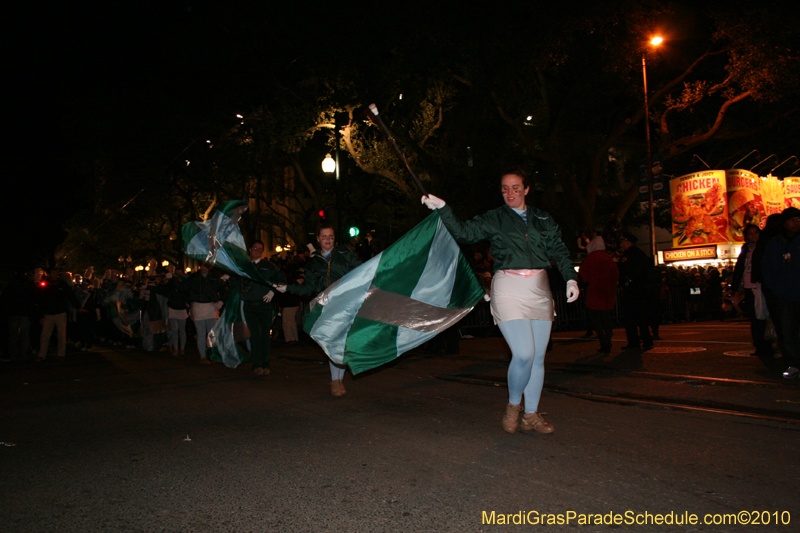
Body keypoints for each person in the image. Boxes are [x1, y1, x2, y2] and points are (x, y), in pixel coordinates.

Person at [421, 168, 579, 434]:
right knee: (524, 353)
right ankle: (513, 405)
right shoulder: (494, 217)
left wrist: (571, 278)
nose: (510, 193)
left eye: (516, 188)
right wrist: (443, 208)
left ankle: (531, 415)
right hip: (508, 287)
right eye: (505, 188)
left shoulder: (543, 218)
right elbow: (464, 232)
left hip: (540, 289)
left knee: (538, 357)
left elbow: (559, 249)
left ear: (527, 189)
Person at [276, 225, 362, 396]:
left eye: (330, 236)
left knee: (343, 344)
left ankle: (338, 380)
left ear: (334, 238)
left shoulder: (344, 253)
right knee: (332, 342)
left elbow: (362, 270)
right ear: (318, 239)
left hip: (346, 304)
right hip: (327, 306)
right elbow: (308, 288)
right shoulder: (313, 263)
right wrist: (287, 288)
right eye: (324, 236)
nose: (327, 239)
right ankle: (336, 381)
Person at [229, 240, 285, 375]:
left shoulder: (268, 266)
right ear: (250, 249)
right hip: (249, 305)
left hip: (264, 305)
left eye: (260, 249)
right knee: (255, 335)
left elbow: (281, 279)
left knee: (265, 335)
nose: (257, 251)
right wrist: (229, 279)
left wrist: (273, 291)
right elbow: (236, 282)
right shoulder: (244, 266)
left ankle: (265, 364)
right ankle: (256, 365)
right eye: (255, 248)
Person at [761, 207, 800, 379]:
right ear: (785, 223)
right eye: (793, 220)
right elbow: (766, 267)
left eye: (799, 220)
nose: (797, 223)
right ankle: (794, 364)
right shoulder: (775, 243)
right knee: (788, 331)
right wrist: (775, 287)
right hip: (785, 295)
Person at [731, 225, 772, 358]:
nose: (753, 236)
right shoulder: (745, 249)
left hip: (760, 286)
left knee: (763, 317)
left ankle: (767, 346)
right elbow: (739, 268)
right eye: (750, 233)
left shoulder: (764, 247)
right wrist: (735, 286)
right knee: (755, 319)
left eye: (755, 233)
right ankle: (759, 346)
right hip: (749, 287)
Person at [579, 236, 618, 353]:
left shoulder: (591, 258)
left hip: (594, 292)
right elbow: (615, 274)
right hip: (608, 292)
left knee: (595, 318)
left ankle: (603, 341)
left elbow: (583, 274)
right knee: (607, 317)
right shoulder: (608, 258)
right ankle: (608, 338)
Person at [617, 233, 654, 350]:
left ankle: (633, 342)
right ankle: (647, 340)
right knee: (642, 317)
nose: (621, 244)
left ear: (627, 242)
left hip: (632, 290)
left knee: (630, 318)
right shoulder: (640, 253)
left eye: (623, 242)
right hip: (642, 289)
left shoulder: (628, 255)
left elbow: (623, 270)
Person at [184, 263, 225, 365]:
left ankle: (213, 355)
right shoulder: (194, 277)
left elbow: (224, 290)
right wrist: (188, 301)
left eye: (205, 266)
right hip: (197, 306)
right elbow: (185, 290)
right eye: (201, 266)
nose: (203, 268)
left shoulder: (215, 277)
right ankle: (203, 356)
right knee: (201, 333)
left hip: (211, 306)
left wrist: (221, 301)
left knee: (211, 334)